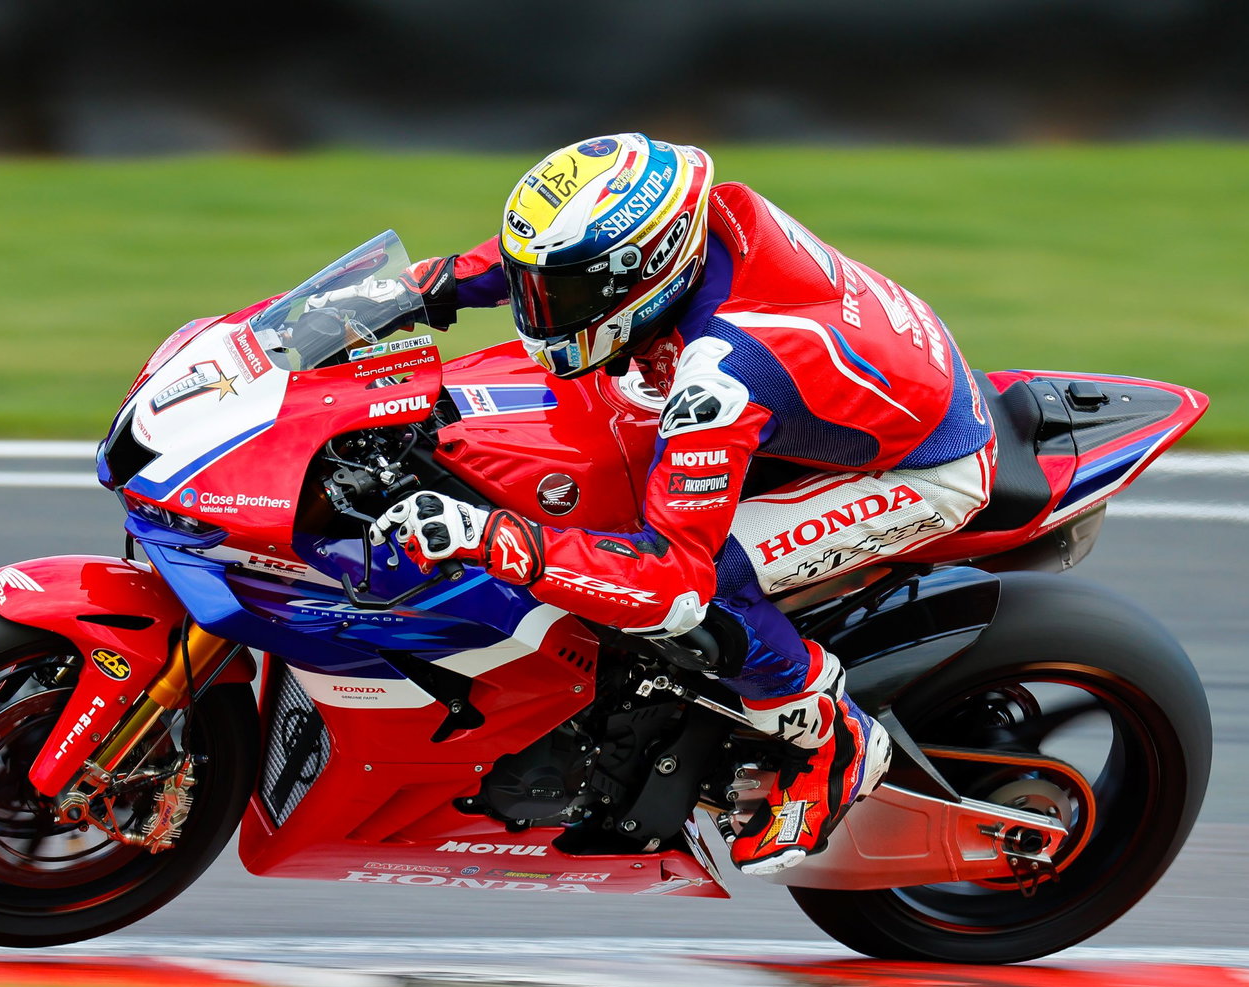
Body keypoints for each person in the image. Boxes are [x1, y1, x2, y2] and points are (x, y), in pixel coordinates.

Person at [362, 133, 996, 875]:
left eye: (557, 296)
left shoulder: (718, 379)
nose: (538, 308)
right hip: (846, 389)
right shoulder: (692, 225)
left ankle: (832, 737)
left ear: (648, 273)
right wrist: (413, 290)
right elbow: (555, 265)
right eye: (538, 287)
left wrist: (495, 536)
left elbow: (672, 581)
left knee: (707, 587)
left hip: (921, 466)